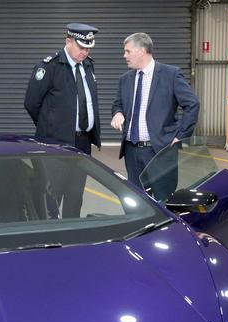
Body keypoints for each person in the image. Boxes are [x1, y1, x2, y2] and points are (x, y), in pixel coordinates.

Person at [24, 23, 101, 218]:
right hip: (55, 144)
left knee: (75, 196)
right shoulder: (49, 67)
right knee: (51, 195)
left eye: (89, 48)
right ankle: (50, 239)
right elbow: (31, 103)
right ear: (68, 41)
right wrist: (51, 128)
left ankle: (71, 236)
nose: (85, 52)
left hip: (82, 143)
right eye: (81, 47)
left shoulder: (89, 65)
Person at [111, 32, 199, 200]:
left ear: (141, 51)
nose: (124, 56)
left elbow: (192, 104)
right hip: (131, 150)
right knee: (136, 200)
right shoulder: (125, 79)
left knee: (163, 200)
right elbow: (118, 103)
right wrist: (118, 113)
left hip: (160, 150)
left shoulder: (170, 74)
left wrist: (180, 136)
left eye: (127, 51)